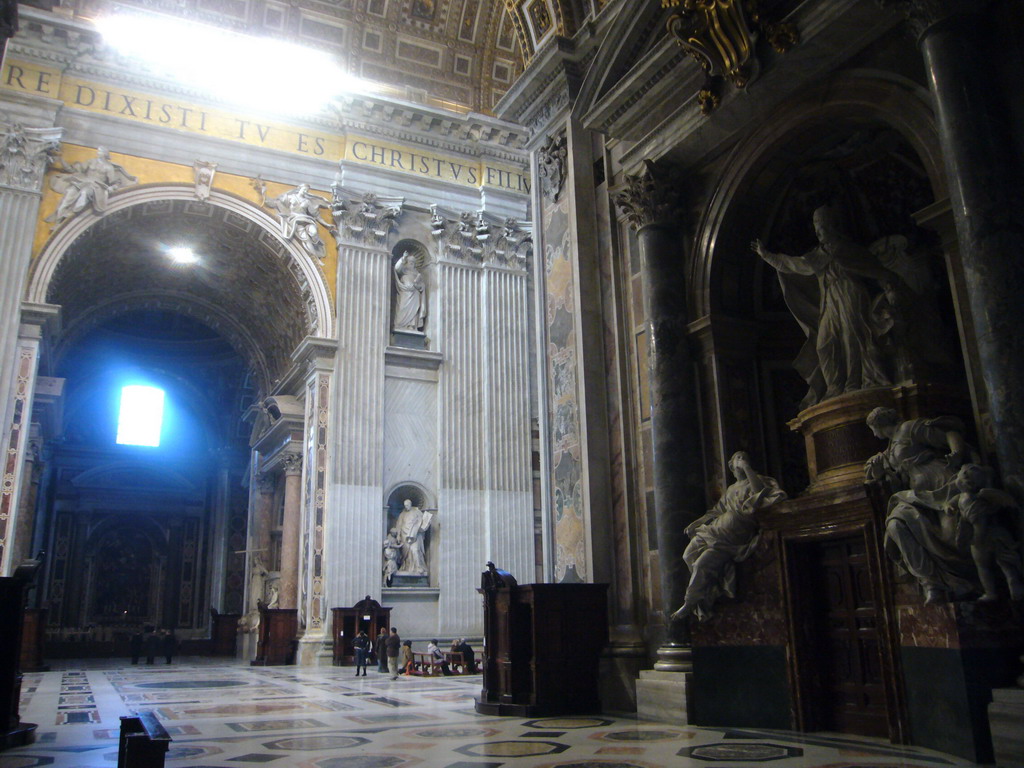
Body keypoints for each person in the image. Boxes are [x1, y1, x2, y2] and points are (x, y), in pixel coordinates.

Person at [752, 205, 899, 408]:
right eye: (817, 230)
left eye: (822, 228)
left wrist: (890, 289)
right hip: (829, 298)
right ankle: (834, 387)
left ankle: (853, 383)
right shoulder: (818, 255)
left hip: (850, 293)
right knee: (824, 343)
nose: (819, 234)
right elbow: (796, 265)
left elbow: (876, 270)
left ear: (833, 227)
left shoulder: (846, 249)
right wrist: (767, 256)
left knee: (852, 337)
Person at [865, 407, 979, 603]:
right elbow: (890, 479)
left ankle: (962, 581)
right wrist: (877, 471)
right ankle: (930, 582)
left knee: (953, 535)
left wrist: (957, 453)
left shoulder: (910, 428)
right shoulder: (889, 450)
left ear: (878, 425)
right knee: (895, 525)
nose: (873, 434)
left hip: (942, 484)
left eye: (873, 429)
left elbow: (949, 434)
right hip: (915, 494)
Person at [671, 451, 787, 620]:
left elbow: (760, 495)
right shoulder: (731, 489)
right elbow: (716, 511)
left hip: (733, 536)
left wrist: (747, 468)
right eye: (738, 458)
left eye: (744, 458)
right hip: (714, 530)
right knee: (688, 555)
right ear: (731, 466)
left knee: (701, 565)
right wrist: (696, 523)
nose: (741, 460)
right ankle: (707, 588)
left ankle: (690, 602)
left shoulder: (755, 481)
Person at [949, 464, 1023, 602]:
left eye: (967, 476)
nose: (963, 477)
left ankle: (992, 592)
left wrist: (977, 539)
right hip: (996, 534)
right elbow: (953, 502)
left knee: (983, 567)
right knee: (1005, 564)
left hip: (982, 537)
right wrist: (949, 506)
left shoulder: (970, 500)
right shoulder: (963, 497)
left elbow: (979, 523)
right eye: (963, 473)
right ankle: (1013, 585)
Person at [47, 146, 137, 226]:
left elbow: (114, 182)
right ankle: (59, 222)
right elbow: (75, 169)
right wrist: (61, 160)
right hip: (82, 182)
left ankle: (73, 213)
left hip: (96, 186)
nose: (98, 153)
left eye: (100, 151)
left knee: (85, 193)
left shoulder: (108, 167)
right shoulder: (91, 162)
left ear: (105, 154)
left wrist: (112, 187)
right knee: (68, 196)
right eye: (98, 151)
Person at [259, 181, 333, 262]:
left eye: (307, 190)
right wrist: (264, 194)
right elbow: (276, 202)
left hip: (307, 220)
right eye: (304, 189)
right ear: (299, 189)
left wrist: (326, 224)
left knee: (314, 232)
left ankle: (316, 249)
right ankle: (314, 258)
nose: (305, 191)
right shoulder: (290, 197)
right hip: (295, 220)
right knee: (306, 238)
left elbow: (316, 215)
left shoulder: (307, 202)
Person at [395, 499, 433, 576]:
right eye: (405, 505)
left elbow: (423, 522)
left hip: (416, 535)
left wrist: (426, 523)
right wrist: (398, 535)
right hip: (404, 535)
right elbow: (399, 525)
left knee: (415, 550)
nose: (406, 507)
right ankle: (406, 567)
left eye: (407, 505)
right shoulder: (402, 514)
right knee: (406, 554)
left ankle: (419, 567)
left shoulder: (417, 512)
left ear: (411, 504)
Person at [393, 251, 426, 331]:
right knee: (402, 307)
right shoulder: (403, 269)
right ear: (406, 262)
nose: (412, 264)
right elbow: (397, 268)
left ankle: (411, 325)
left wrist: (418, 285)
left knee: (414, 310)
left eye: (413, 263)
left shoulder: (416, 272)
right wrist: (403, 258)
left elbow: (421, 285)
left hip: (415, 293)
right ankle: (400, 325)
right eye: (410, 262)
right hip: (405, 291)